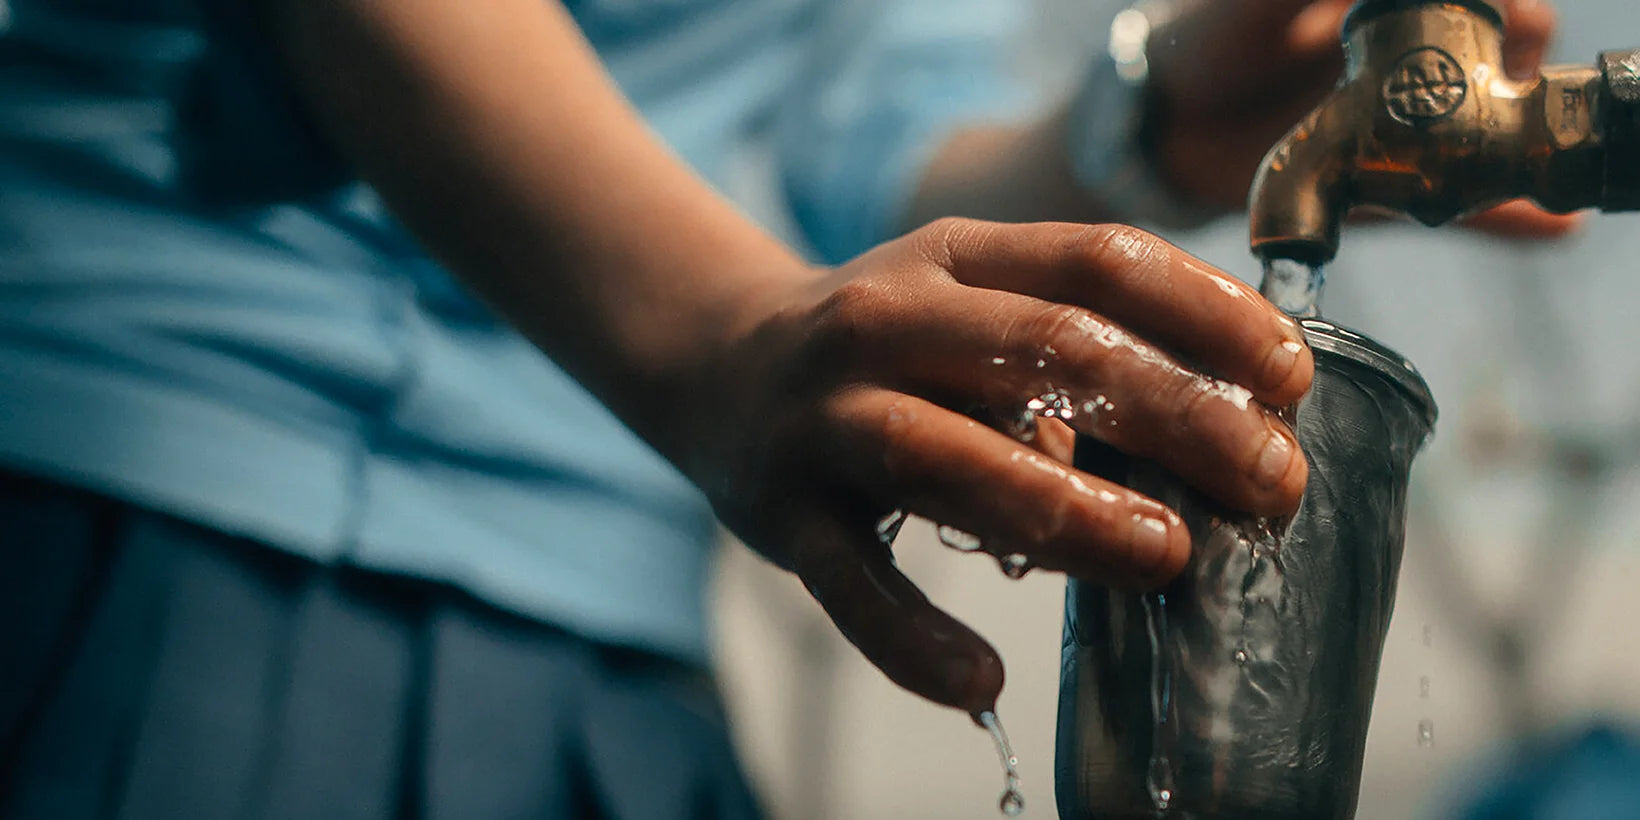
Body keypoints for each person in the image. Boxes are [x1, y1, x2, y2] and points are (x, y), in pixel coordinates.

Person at [0, 0, 1567, 817]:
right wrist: (699, 328)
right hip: (166, 510)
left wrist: (1154, 121)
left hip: (610, 635)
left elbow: (875, 157)